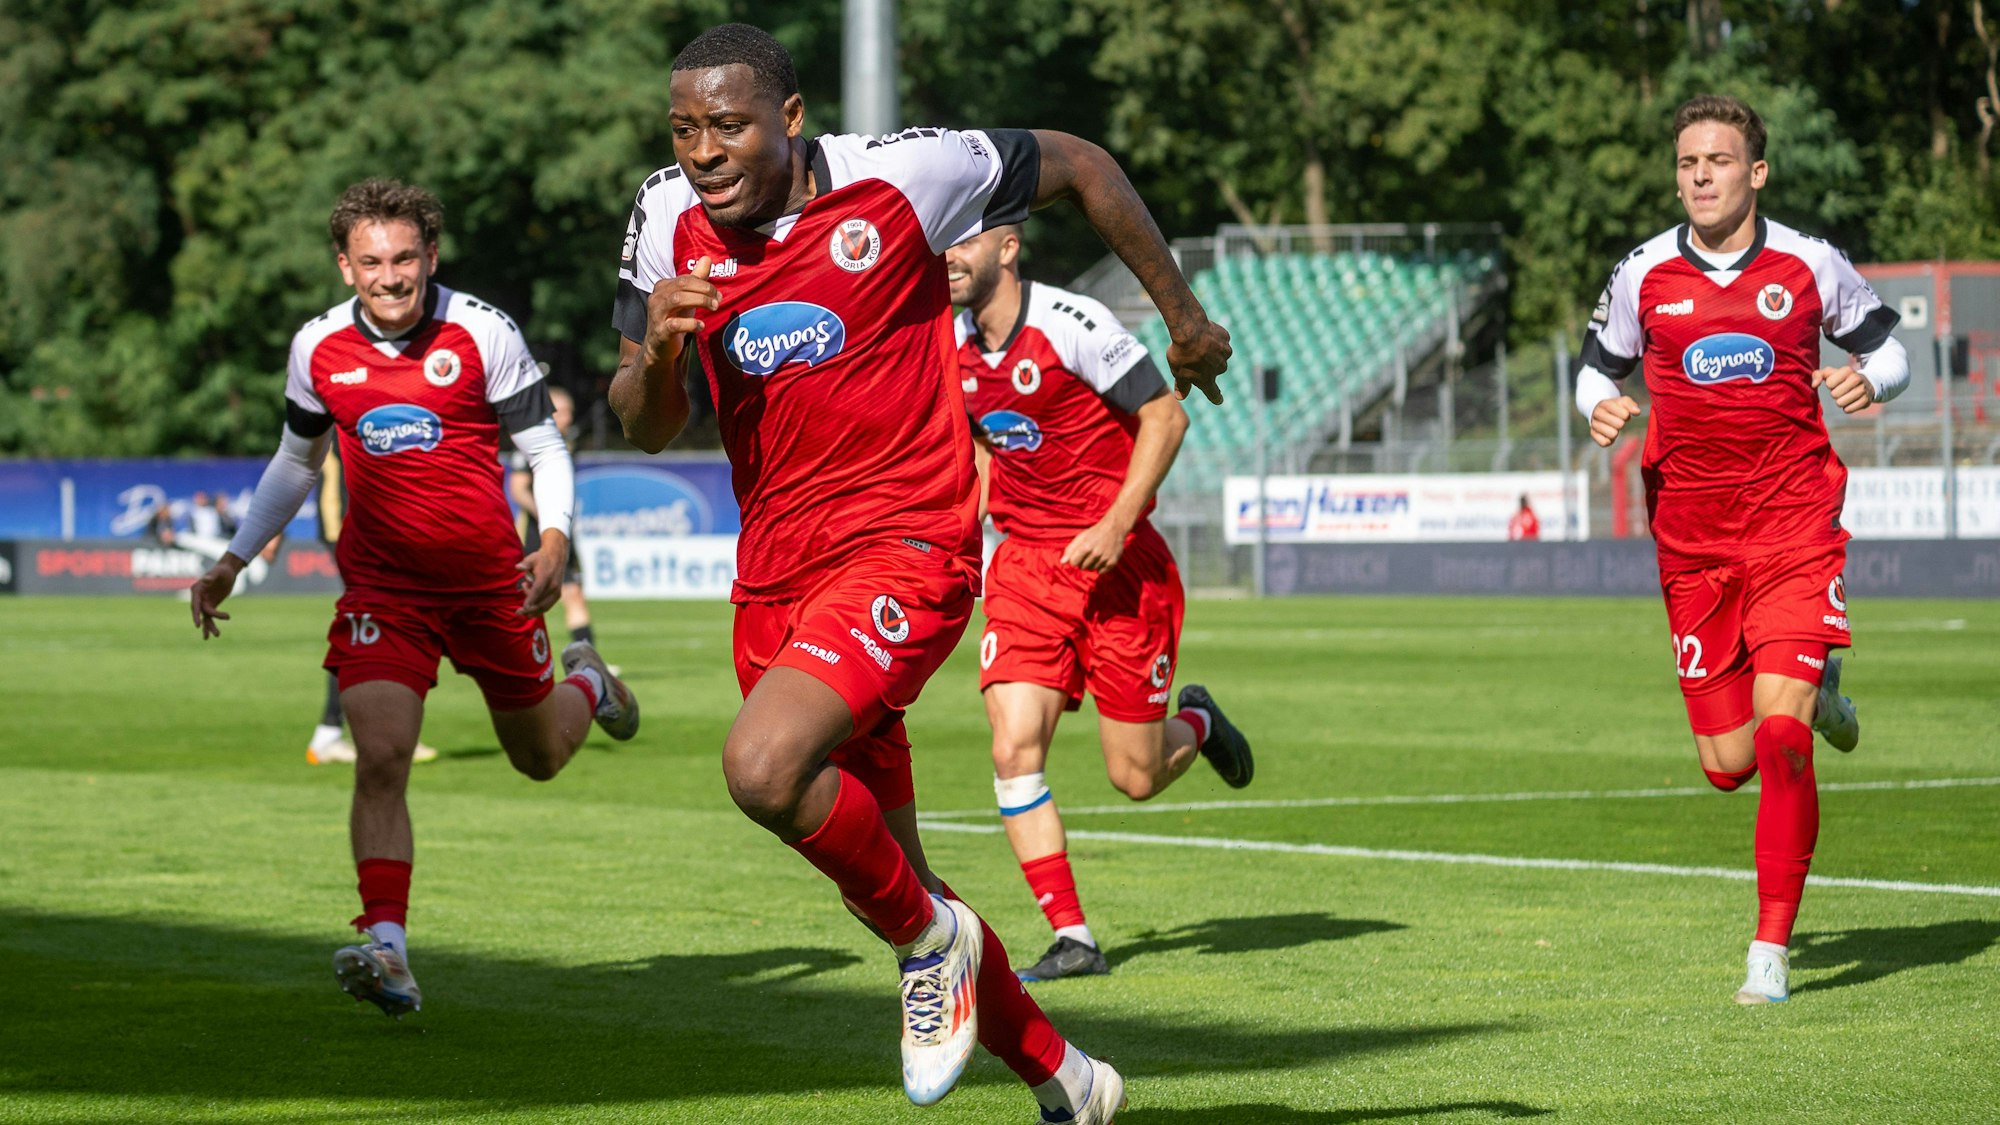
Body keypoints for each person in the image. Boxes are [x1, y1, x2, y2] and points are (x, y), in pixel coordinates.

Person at [609, 23, 1228, 1121]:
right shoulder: (663, 218)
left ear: (790, 121)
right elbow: (645, 425)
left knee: (762, 768)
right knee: (881, 876)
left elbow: (1080, 162)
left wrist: (1180, 315)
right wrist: (656, 349)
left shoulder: (902, 177)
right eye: (684, 128)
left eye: (729, 125)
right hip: (775, 575)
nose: (704, 151)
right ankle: (1067, 1079)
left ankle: (931, 943)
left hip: (905, 542)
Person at [191, 177, 640, 1019]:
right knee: (383, 755)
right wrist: (233, 557)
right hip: (384, 590)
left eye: (404, 258)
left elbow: (543, 445)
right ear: (345, 265)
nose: (390, 276)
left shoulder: (480, 330)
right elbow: (296, 461)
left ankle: (589, 680)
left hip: (488, 585)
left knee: (539, 757)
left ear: (430, 256)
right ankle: (388, 949)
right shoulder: (318, 348)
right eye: (371, 261)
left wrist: (553, 540)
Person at [1576, 95, 1908, 1006]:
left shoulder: (1808, 262)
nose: (1700, 176)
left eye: (1718, 161)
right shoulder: (1642, 273)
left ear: (1755, 172)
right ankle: (1825, 687)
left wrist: (1865, 377)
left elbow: (1892, 351)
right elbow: (1594, 366)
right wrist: (1594, 404)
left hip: (1795, 526)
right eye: (1687, 163)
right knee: (1728, 763)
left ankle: (1769, 949)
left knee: (1782, 736)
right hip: (1691, 541)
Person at [946, 225, 1252, 984]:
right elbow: (985, 444)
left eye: (963, 242)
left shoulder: (1071, 324)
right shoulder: (945, 343)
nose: (946, 256)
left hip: (1120, 568)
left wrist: (1116, 523)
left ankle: (1199, 720)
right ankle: (1072, 934)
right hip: (1026, 569)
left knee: (1136, 777)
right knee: (1013, 748)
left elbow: (1166, 416)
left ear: (1009, 247)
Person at [304, 431, 439, 766]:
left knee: (376, 628)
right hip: (349, 528)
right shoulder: (341, 401)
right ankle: (339, 732)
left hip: (368, 528)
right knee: (373, 626)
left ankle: (366, 731)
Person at [508, 383, 611, 666]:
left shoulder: (569, 443)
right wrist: (550, 515)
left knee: (574, 593)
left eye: (570, 412)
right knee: (525, 598)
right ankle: (519, 658)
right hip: (537, 534)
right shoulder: (531, 444)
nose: (567, 417)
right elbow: (518, 488)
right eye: (562, 412)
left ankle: (590, 663)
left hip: (563, 533)